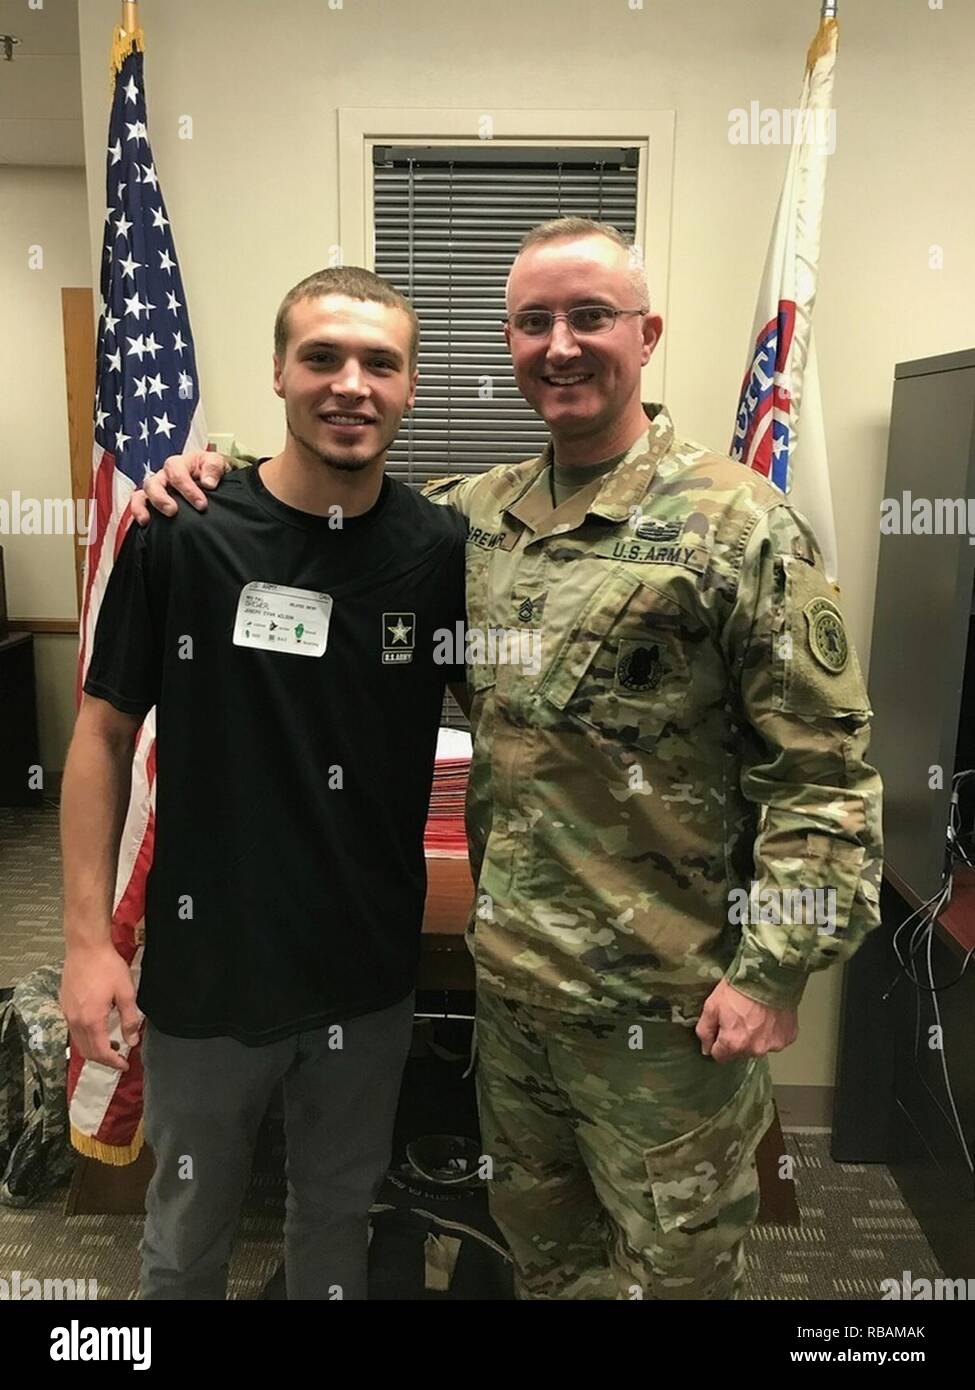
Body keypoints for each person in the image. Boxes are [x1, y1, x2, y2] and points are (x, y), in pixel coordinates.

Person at [136, 219, 883, 1300]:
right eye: (535, 322)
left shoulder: (738, 527)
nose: (562, 344)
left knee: (674, 1280)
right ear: (509, 344)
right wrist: (210, 475)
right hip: (518, 1000)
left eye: (591, 317)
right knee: (543, 1271)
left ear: (647, 333)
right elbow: (327, 502)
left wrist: (774, 974)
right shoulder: (477, 518)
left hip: (670, 1017)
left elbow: (824, 779)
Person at [59, 267, 468, 1300]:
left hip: (365, 976)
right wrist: (83, 945)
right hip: (211, 975)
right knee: (187, 1236)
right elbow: (101, 736)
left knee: (336, 1223)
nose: (351, 382)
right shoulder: (181, 529)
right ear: (279, 372)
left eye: (380, 362)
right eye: (323, 355)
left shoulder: (444, 553)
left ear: (411, 387)